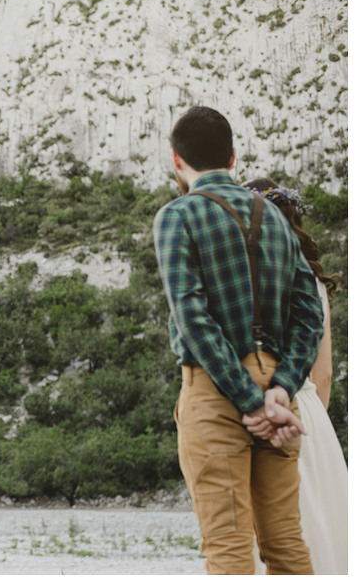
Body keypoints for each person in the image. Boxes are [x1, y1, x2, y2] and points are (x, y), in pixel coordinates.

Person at [153, 106, 324, 574]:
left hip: (216, 392)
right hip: (278, 392)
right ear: (232, 157)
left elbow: (192, 317)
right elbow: (310, 318)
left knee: (228, 549)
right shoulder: (275, 217)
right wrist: (280, 391)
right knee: (286, 545)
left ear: (176, 160)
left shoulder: (177, 216)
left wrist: (250, 403)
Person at [242, 178, 347, 575]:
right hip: (306, 415)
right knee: (316, 520)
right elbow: (322, 376)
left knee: (265, 526)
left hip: (258, 407)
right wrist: (311, 426)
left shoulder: (251, 281)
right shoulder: (315, 285)